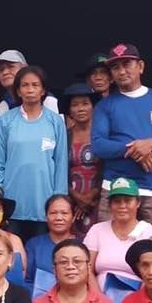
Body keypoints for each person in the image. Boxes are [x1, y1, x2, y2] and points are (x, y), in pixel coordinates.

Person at [91, 43, 152, 229]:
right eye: (115, 67)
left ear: (140, 66)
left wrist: (151, 143)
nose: (122, 71)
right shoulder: (104, 105)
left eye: (127, 64)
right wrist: (136, 149)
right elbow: (98, 145)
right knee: (110, 249)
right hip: (116, 188)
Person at [0, 65, 68, 240]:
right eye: (25, 85)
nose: (30, 90)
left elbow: (61, 163)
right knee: (13, 257)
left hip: (45, 205)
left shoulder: (55, 122)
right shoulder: (6, 120)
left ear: (43, 90)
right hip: (13, 203)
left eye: (35, 85)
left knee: (41, 258)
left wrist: (59, 201)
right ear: (18, 90)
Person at [83, 178, 152, 284]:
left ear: (138, 203)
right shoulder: (97, 230)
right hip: (99, 296)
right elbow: (87, 269)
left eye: (127, 201)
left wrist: (135, 300)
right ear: (110, 205)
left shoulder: (148, 232)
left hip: (136, 296)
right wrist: (100, 298)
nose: (122, 206)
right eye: (117, 201)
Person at [62, 82, 101, 234]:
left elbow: (108, 167)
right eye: (75, 105)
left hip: (98, 198)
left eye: (85, 103)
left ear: (93, 107)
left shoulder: (101, 135)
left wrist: (91, 197)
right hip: (71, 199)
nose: (81, 109)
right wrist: (76, 198)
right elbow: (59, 170)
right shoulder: (64, 136)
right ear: (69, 110)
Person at [24, 194, 75, 283]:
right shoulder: (33, 245)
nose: (58, 218)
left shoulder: (82, 245)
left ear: (73, 217)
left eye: (64, 213)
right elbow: (27, 281)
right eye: (53, 213)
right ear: (46, 217)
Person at [0, 49, 59, 114]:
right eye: (1, 69)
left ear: (25, 68)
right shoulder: (3, 105)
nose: (5, 72)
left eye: (11, 67)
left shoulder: (47, 100)